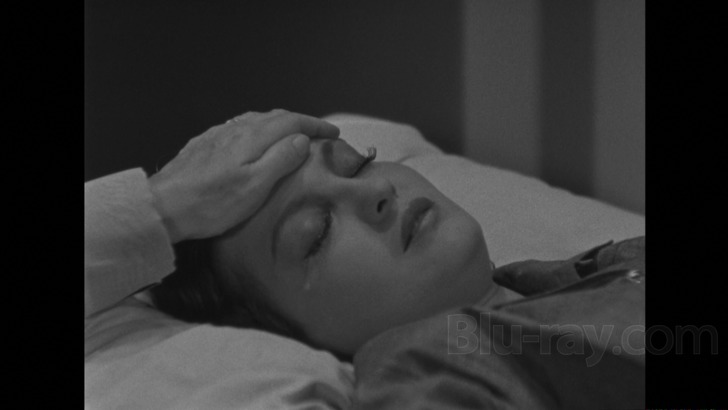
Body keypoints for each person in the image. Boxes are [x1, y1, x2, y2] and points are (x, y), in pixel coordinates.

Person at [86, 109, 645, 409]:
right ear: (287, 334)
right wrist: (163, 208)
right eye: (316, 233)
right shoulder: (428, 370)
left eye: (356, 164)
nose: (376, 192)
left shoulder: (600, 267)